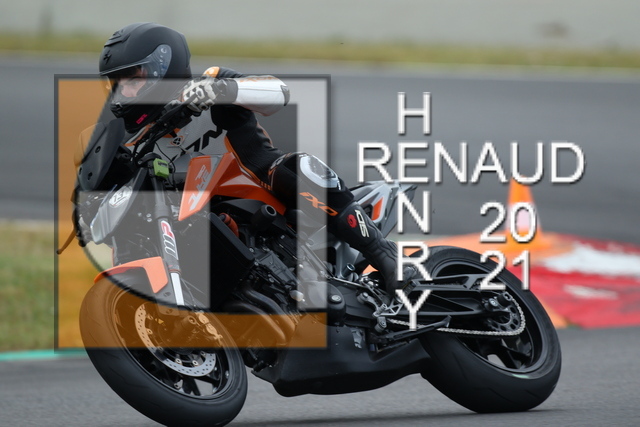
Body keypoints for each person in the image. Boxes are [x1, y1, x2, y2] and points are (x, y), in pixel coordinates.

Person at [95, 22, 414, 296]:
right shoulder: (130, 143)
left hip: (262, 187)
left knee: (299, 166)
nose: (125, 92)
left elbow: (279, 93)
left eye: (133, 80)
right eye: (117, 84)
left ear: (163, 69)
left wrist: (222, 90)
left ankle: (383, 253)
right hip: (198, 219)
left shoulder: (208, 84)